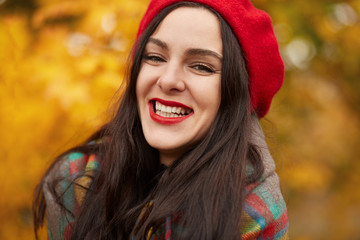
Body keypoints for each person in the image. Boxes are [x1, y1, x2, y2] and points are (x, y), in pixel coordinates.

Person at [33, 0, 289, 239]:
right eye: (155, 57)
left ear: (238, 97)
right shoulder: (75, 180)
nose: (167, 80)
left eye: (201, 66)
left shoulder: (257, 215)